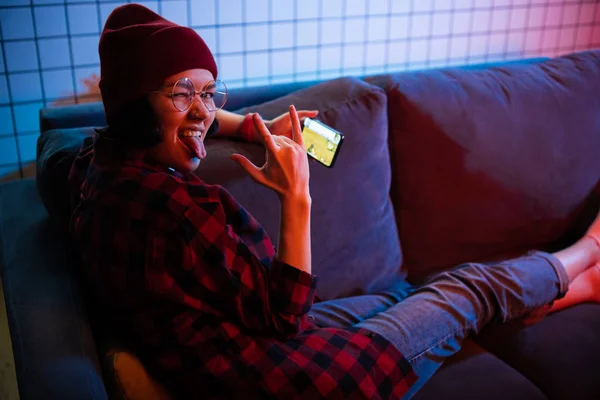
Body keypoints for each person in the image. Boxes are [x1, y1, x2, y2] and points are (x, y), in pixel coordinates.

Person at [68, 4, 600, 400]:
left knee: (407, 295)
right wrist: (296, 196)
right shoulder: (180, 209)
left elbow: (189, 114)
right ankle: (587, 251)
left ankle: (566, 288)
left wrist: (254, 127)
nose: (203, 112)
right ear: (135, 104)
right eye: (182, 93)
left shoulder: (95, 168)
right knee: (467, 289)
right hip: (307, 383)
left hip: (231, 350)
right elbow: (288, 320)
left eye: (209, 93)